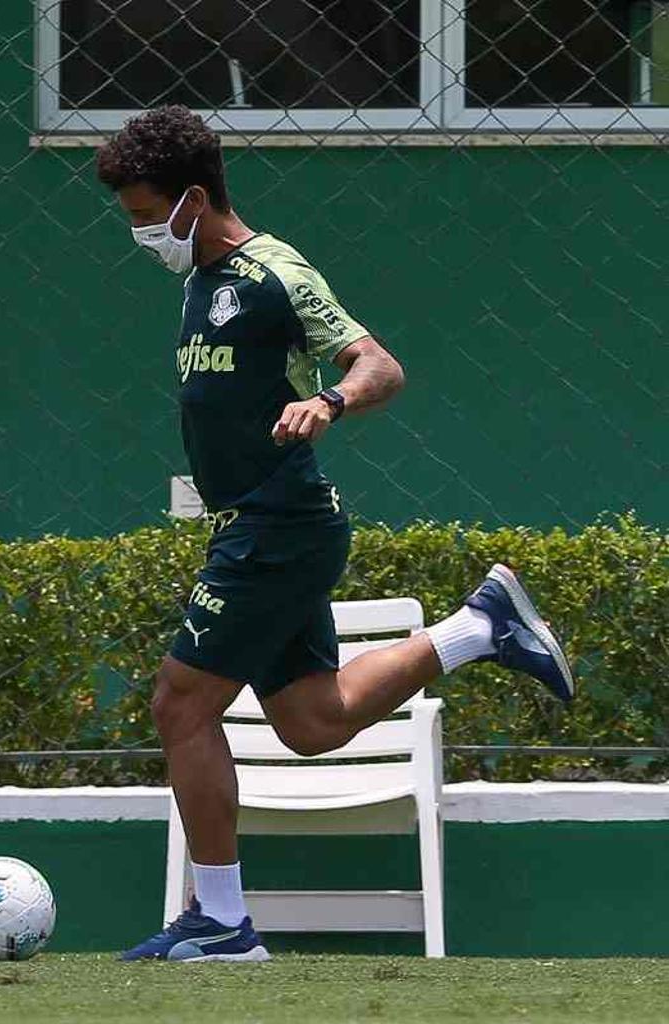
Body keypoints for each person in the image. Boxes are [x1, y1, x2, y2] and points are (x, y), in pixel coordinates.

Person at [96, 106, 575, 962]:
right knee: (313, 722)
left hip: (280, 524)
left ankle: (221, 921)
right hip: (256, 527)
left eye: (143, 213)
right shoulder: (197, 282)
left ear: (194, 198)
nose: (137, 231)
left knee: (180, 702)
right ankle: (480, 626)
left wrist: (329, 400)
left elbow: (379, 364)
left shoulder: (275, 271)